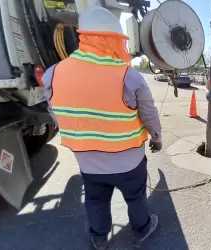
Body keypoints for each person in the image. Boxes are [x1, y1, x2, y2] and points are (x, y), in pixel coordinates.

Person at [41, 7, 161, 250]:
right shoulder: (129, 76)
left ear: (83, 37)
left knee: (95, 200)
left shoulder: (53, 74)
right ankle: (143, 229)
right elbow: (149, 114)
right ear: (113, 41)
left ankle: (99, 237)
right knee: (136, 197)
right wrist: (157, 137)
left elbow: (55, 113)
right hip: (129, 160)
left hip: (88, 162)